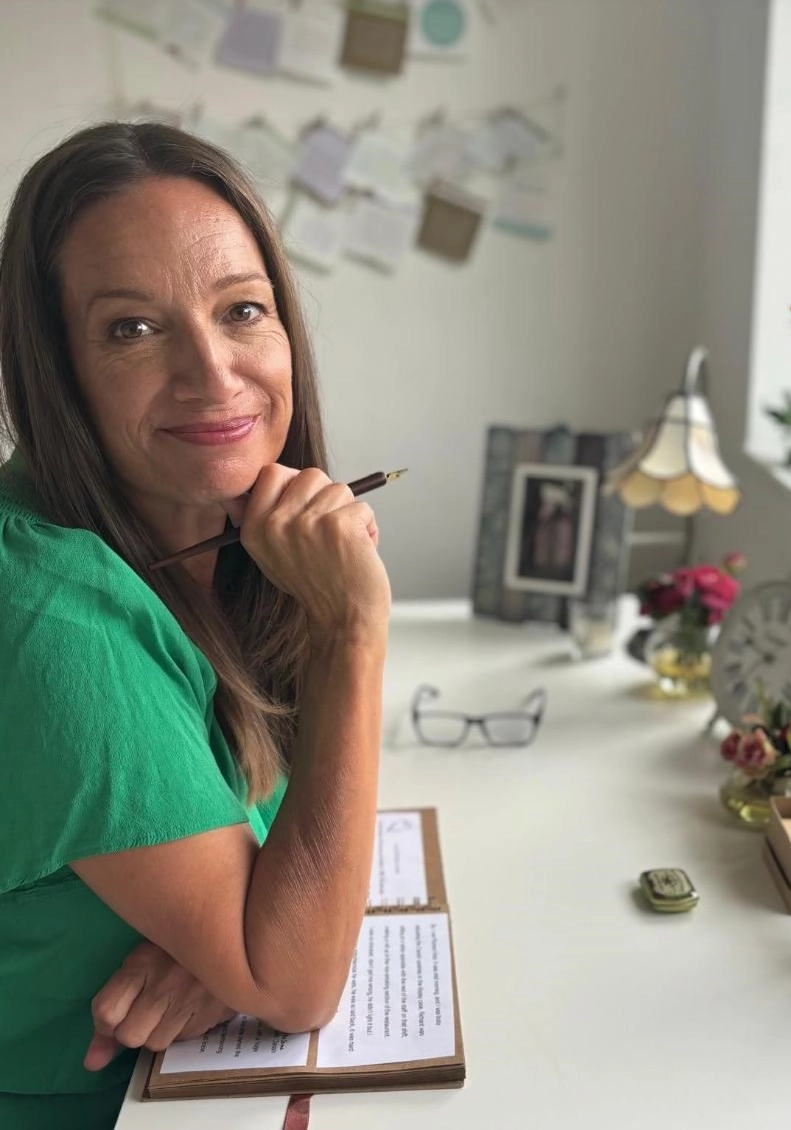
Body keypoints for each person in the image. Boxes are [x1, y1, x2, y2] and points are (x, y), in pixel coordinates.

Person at [0, 122, 392, 1129]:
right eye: (132, 328)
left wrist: (226, 953)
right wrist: (352, 629)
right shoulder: (54, 623)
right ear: (59, 367)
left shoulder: (214, 535)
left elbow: (293, 863)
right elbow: (301, 981)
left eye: (242, 311)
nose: (215, 373)